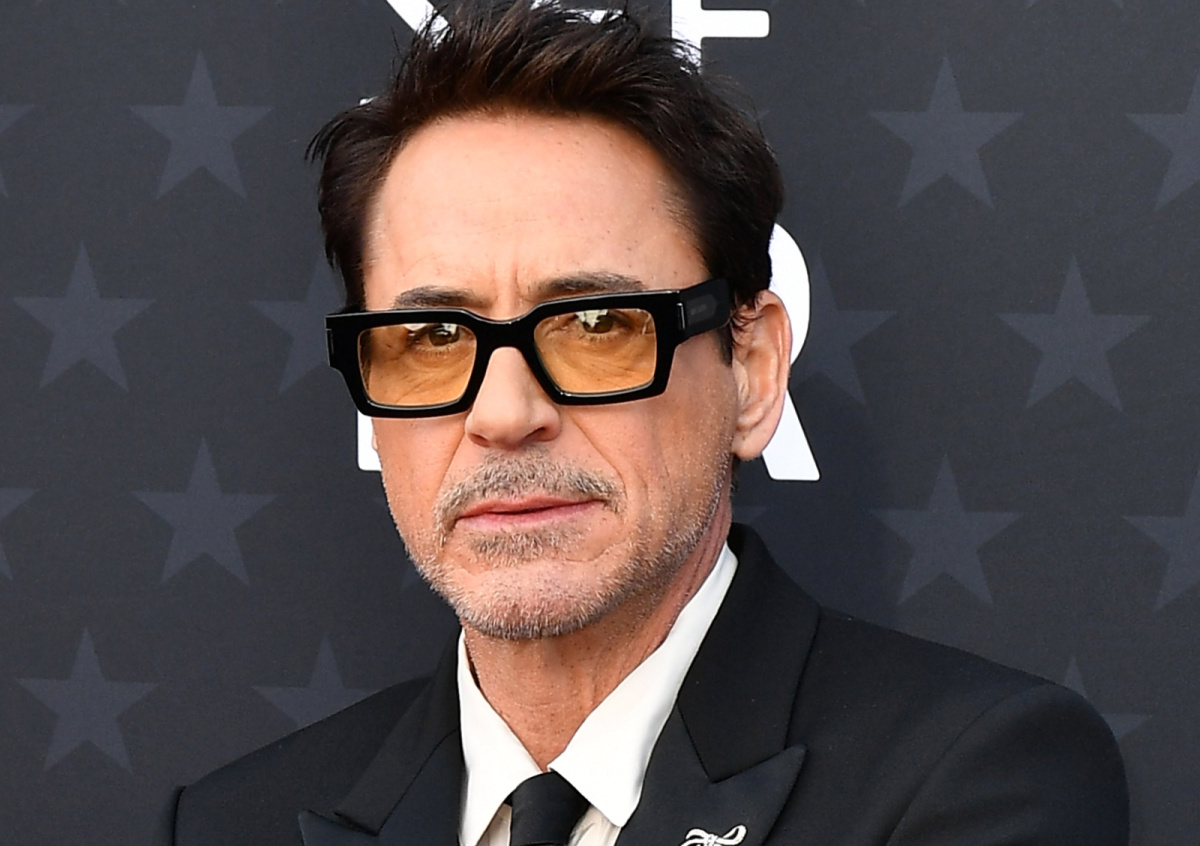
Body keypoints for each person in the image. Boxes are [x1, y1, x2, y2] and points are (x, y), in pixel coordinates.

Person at [167, 2, 1129, 844]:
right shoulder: (237, 823)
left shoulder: (977, 779)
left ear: (751, 371)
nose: (504, 414)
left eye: (596, 327)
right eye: (432, 337)